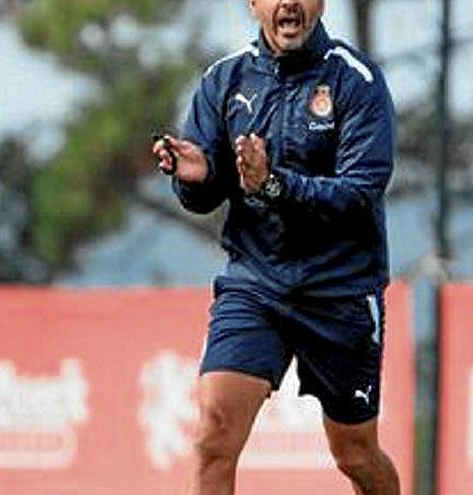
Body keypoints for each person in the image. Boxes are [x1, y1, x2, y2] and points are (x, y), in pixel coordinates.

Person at [152, 1, 398, 493]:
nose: (289, 2)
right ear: (253, 4)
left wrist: (273, 185)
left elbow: (357, 194)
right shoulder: (225, 80)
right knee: (213, 438)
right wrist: (197, 180)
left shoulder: (357, 80)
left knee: (354, 453)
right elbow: (208, 188)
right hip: (256, 287)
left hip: (339, 292)